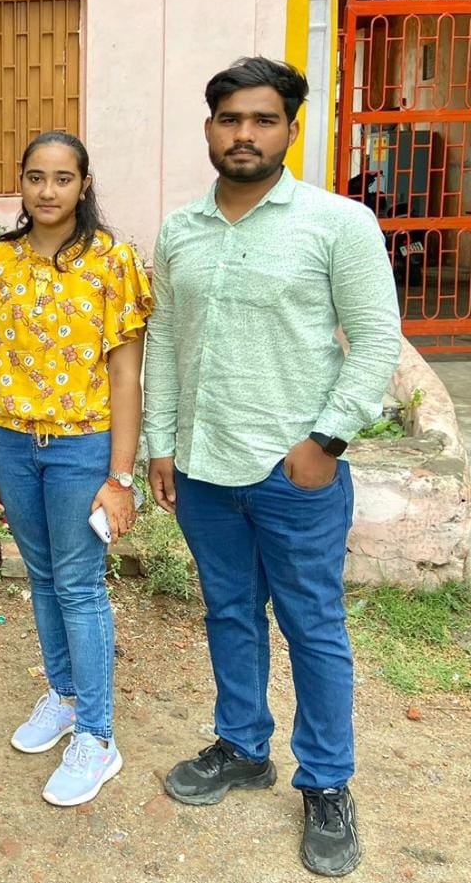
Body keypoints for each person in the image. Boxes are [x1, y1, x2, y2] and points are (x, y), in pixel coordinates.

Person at [144, 57, 401, 877]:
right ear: (210, 128)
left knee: (313, 627)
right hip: (204, 469)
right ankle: (243, 746)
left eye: (262, 119)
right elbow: (164, 340)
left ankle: (325, 781)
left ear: (291, 128)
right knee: (228, 612)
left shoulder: (339, 223)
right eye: (230, 119)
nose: (244, 134)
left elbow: (378, 340)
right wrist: (160, 442)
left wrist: (327, 441)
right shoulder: (180, 229)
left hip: (296, 473)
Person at [0, 131, 151, 807]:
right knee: (42, 576)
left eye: (62, 178)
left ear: (83, 184)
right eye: (36, 177)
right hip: (11, 444)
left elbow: (125, 376)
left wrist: (120, 477)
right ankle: (65, 697)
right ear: (21, 182)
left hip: (80, 447)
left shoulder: (112, 262)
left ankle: (98, 735)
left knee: (78, 583)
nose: (47, 190)